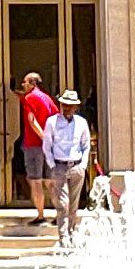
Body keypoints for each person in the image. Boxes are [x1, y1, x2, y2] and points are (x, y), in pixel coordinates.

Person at [42, 87, 93, 239]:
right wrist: (52, 165)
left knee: (73, 204)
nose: (67, 108)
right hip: (59, 166)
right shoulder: (52, 122)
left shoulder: (81, 123)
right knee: (62, 204)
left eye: (70, 106)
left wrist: (83, 165)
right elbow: (47, 145)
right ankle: (63, 236)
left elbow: (86, 145)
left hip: (76, 166)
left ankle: (71, 232)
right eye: (65, 105)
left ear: (76, 107)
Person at [17, 71, 55, 223]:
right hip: (49, 147)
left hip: (34, 145)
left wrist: (43, 138)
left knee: (35, 181)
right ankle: (60, 213)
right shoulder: (47, 98)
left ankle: (40, 215)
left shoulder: (30, 98)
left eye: (25, 82)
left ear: (32, 84)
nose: (23, 84)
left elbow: (32, 120)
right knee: (50, 181)